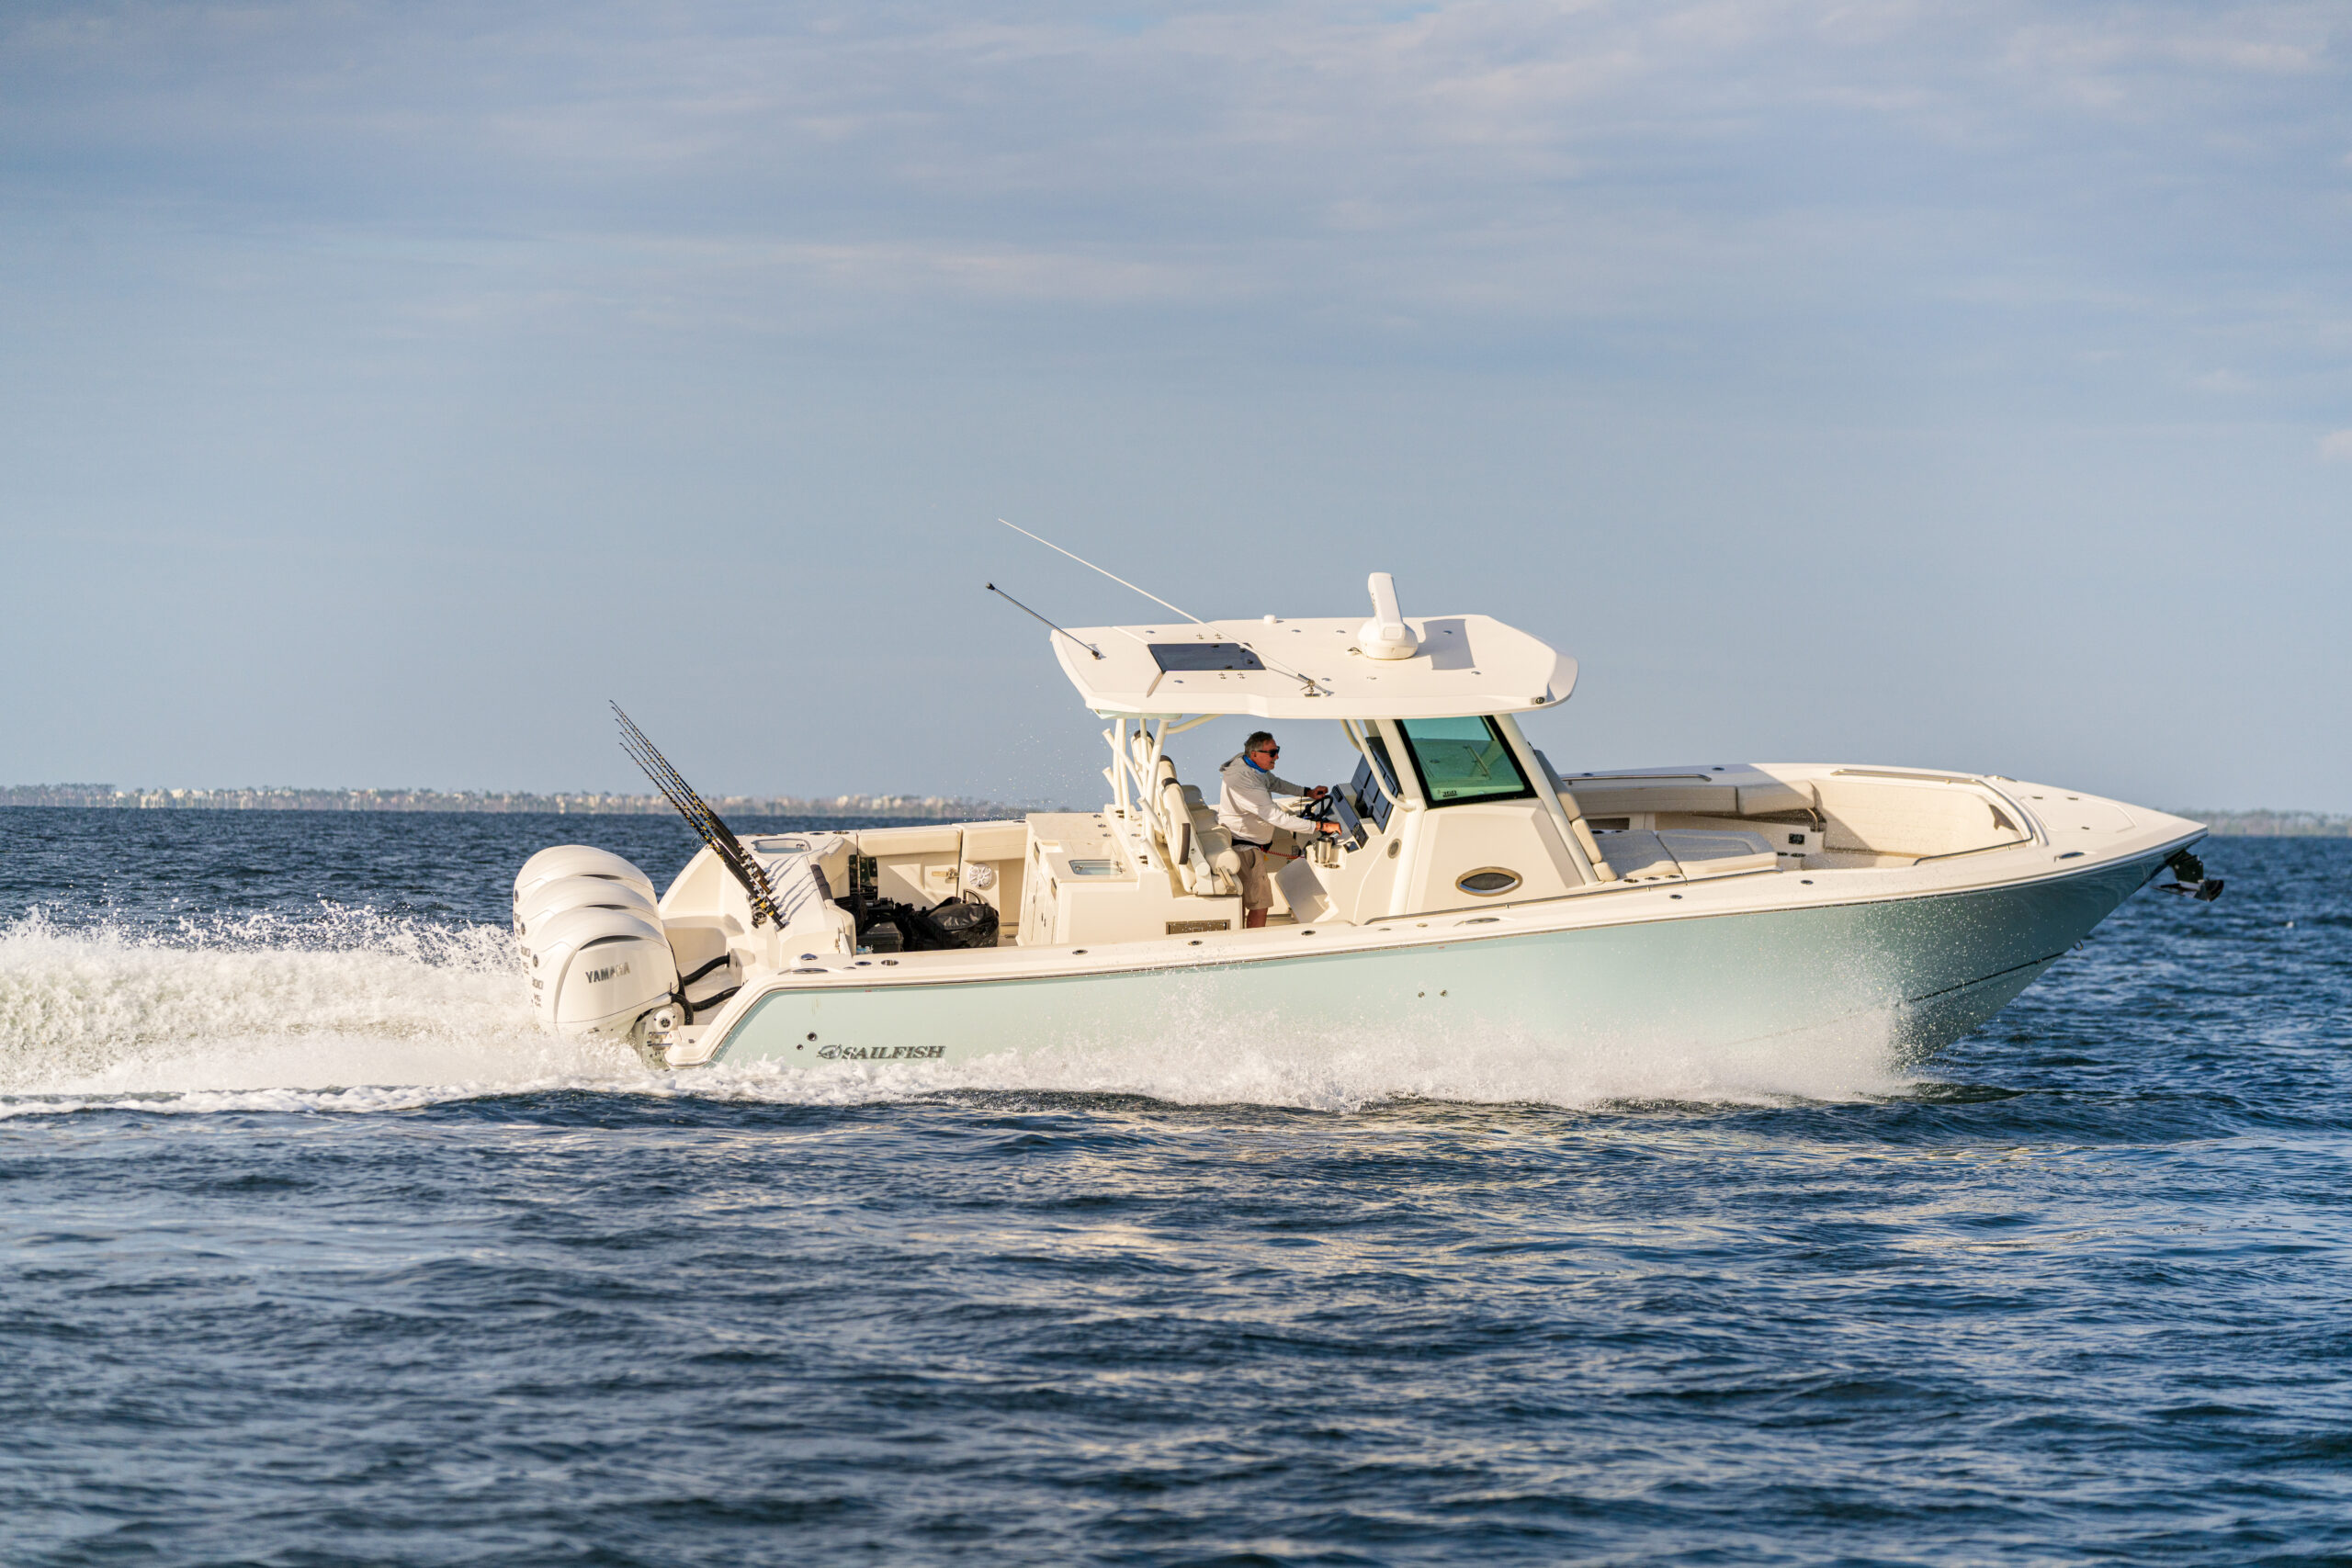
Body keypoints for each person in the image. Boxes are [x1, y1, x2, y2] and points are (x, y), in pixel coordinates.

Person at [1217, 731, 1339, 929]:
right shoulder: (1244, 781)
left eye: (1277, 750)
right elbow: (1276, 817)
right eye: (1272, 753)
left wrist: (1306, 792)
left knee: (1252, 901)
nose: (1277, 756)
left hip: (1249, 841)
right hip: (1245, 848)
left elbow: (1273, 782)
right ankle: (1253, 950)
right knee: (1259, 905)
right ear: (1255, 754)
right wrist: (1320, 826)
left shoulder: (1249, 763)